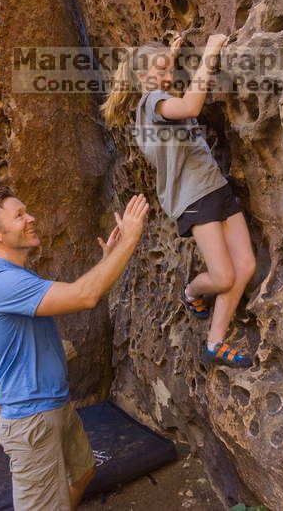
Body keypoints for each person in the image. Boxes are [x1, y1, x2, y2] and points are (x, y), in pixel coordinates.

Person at [0, 186, 149, 510]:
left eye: (27, 211)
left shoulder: (17, 274)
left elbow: (80, 291)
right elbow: (84, 296)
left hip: (54, 405)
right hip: (32, 419)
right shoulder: (0, 282)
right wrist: (132, 240)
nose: (31, 218)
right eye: (19, 215)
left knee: (82, 473)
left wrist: (109, 258)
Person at [101, 34, 255, 368]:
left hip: (214, 186)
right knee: (225, 277)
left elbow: (164, 84)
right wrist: (209, 53)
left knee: (246, 266)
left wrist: (168, 55)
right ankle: (191, 292)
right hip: (194, 199)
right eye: (165, 71)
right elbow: (188, 106)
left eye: (171, 70)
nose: (170, 77)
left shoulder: (153, 97)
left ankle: (215, 343)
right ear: (144, 77)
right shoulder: (152, 103)